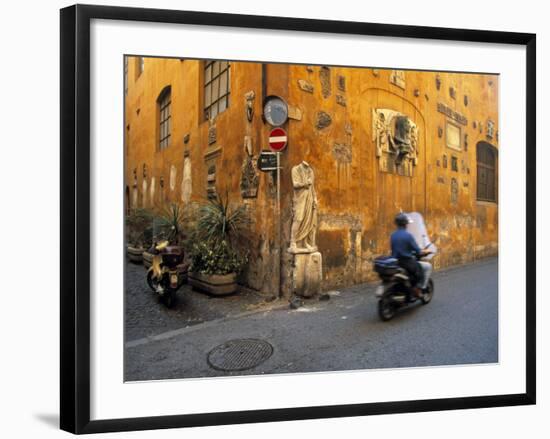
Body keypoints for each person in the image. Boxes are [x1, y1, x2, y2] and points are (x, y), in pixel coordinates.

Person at [390, 213, 432, 298]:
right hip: (407, 262)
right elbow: (418, 251)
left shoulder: (393, 235)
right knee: (424, 268)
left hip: (396, 262)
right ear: (405, 224)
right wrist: (426, 251)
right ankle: (418, 289)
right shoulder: (408, 236)